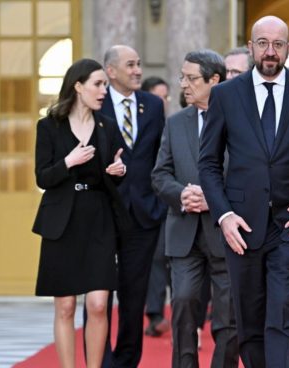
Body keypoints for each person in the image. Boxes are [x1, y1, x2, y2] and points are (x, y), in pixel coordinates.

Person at [198, 16, 289, 368]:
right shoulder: (226, 95)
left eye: (277, 44)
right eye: (262, 43)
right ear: (250, 47)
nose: (270, 51)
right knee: (251, 320)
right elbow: (209, 163)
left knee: (284, 314)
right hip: (241, 225)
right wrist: (224, 216)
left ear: (288, 48)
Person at [32, 58, 127, 368]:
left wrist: (118, 170)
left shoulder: (107, 127)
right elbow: (43, 178)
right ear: (78, 86)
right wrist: (68, 162)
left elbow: (114, 174)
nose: (104, 91)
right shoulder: (48, 126)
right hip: (63, 221)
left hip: (99, 219)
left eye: (105, 85)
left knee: (99, 304)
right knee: (66, 306)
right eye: (98, 84)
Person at [152, 49, 238, 368]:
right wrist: (182, 193)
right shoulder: (175, 123)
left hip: (227, 232)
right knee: (185, 301)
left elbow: (251, 176)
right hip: (184, 230)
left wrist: (214, 198)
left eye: (191, 78)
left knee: (229, 313)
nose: (184, 85)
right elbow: (159, 174)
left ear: (214, 81)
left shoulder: (239, 119)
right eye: (182, 77)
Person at [99, 45, 166, 368]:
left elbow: (160, 157)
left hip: (143, 213)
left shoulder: (153, 105)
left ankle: (126, 360)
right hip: (102, 212)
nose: (138, 70)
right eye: (130, 65)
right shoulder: (96, 106)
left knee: (133, 293)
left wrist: (160, 202)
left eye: (139, 64)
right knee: (98, 294)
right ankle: (101, 356)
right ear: (111, 71)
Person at [140, 75, 172, 338]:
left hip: (176, 201)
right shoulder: (143, 124)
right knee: (158, 260)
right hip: (151, 204)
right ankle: (156, 314)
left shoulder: (175, 123)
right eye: (160, 96)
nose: (164, 101)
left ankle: (186, 314)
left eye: (166, 96)